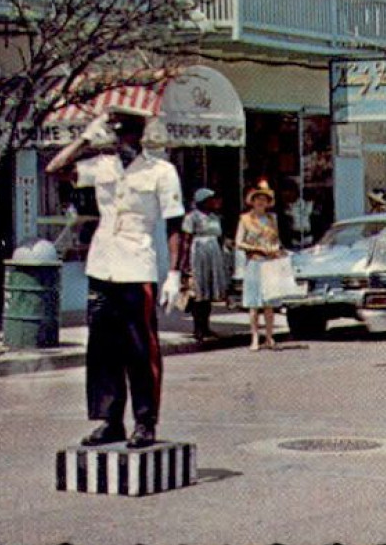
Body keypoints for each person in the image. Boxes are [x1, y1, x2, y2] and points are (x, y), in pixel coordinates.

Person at [47, 107, 183, 450]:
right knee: (103, 347)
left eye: (127, 135)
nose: (121, 142)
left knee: (141, 349)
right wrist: (83, 139)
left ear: (140, 137)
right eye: (115, 134)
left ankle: (145, 421)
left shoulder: (161, 171)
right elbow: (55, 169)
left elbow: (174, 225)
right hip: (103, 264)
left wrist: (176, 274)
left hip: (137, 266)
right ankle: (110, 420)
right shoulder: (102, 166)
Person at [237, 180, 294, 351]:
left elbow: (276, 239)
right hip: (254, 261)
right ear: (252, 201)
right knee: (254, 304)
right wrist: (256, 248)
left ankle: (269, 337)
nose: (261, 202)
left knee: (269, 303)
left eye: (264, 199)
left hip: (269, 263)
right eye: (257, 199)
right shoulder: (245, 219)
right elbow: (239, 242)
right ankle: (254, 338)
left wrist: (276, 249)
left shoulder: (271, 219)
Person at [177, 189, 227, 343]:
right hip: (198, 254)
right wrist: (184, 263)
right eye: (211, 199)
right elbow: (186, 240)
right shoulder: (191, 217)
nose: (215, 202)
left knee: (209, 293)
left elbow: (220, 237)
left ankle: (206, 326)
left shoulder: (215, 217)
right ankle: (198, 328)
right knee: (198, 292)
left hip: (213, 254)